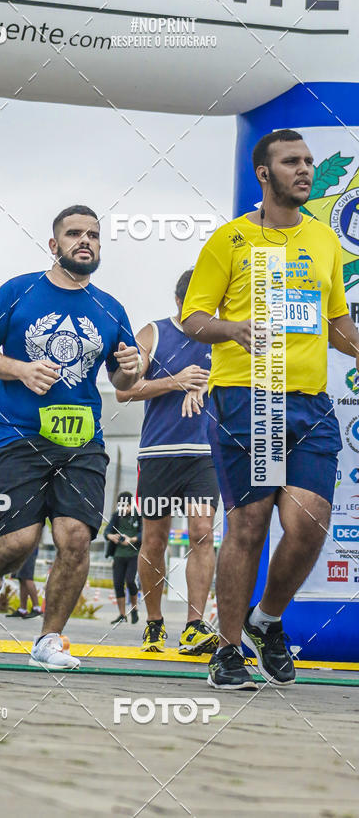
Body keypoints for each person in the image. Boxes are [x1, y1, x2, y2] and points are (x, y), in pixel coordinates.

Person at [181, 128, 359, 690]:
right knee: (250, 525)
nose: (305, 170)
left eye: (309, 161)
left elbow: (336, 325)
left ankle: (268, 619)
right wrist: (234, 329)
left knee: (307, 525)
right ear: (264, 174)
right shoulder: (228, 241)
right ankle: (229, 649)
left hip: (310, 404)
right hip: (248, 399)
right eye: (291, 162)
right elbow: (193, 318)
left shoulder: (325, 241)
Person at [0, 205, 141, 669]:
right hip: (18, 434)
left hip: (82, 440)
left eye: (94, 235)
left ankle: (49, 640)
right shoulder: (19, 292)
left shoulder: (111, 308)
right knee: (18, 542)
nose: (86, 241)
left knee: (75, 537)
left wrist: (131, 370)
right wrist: (20, 369)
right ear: (53, 244)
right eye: (75, 233)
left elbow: (122, 384)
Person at [116, 271, 219, 656]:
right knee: (155, 539)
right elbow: (123, 392)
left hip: (205, 456)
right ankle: (154, 623)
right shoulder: (153, 333)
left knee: (202, 532)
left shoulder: (223, 338)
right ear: (178, 303)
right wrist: (176, 381)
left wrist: (209, 384)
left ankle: (194, 626)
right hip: (159, 455)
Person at [104, 491, 140, 625]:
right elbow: (107, 530)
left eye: (126, 506)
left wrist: (133, 539)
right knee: (118, 583)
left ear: (131, 505)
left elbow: (143, 533)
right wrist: (110, 536)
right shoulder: (116, 516)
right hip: (118, 554)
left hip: (134, 554)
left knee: (130, 580)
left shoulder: (138, 516)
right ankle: (122, 614)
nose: (123, 509)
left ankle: (134, 610)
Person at [7, 546, 43, 618]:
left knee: (27, 577)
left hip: (29, 548)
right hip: (20, 548)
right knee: (21, 578)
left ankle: (37, 608)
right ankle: (22, 609)